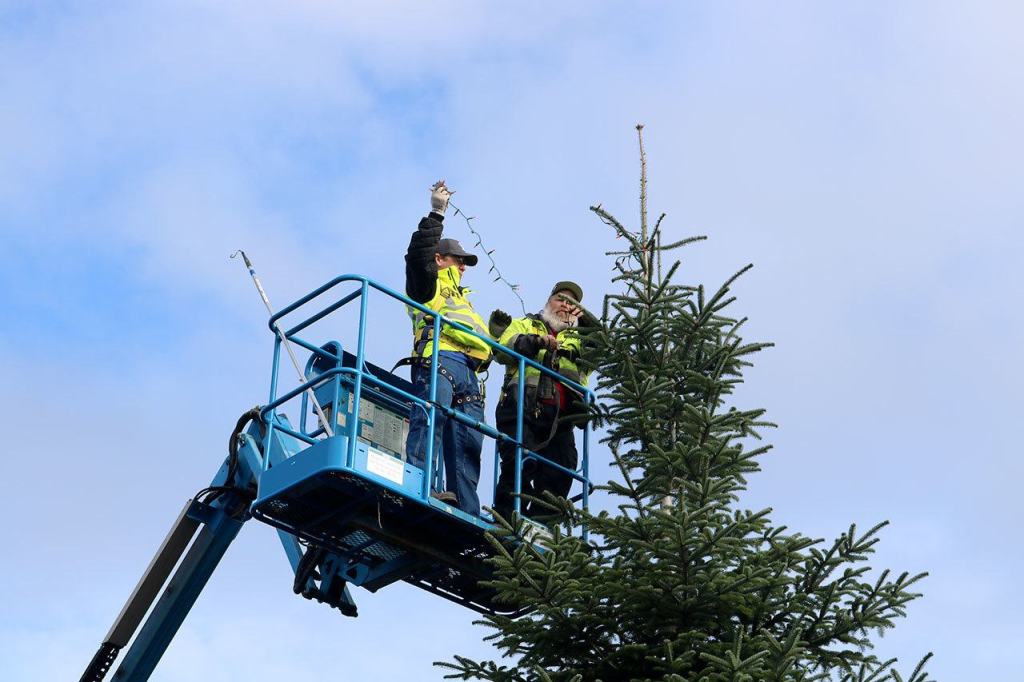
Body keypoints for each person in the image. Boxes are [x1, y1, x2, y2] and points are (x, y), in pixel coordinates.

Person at [402, 180, 493, 516]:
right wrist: (436, 214)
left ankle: (466, 510)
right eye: (459, 260)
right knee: (430, 422)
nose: (464, 267)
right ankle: (418, 486)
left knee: (468, 444)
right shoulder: (427, 284)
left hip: (470, 374)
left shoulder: (464, 299)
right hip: (440, 360)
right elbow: (417, 256)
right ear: (440, 258)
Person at [490, 282, 592, 520]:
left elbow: (602, 348)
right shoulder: (526, 324)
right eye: (560, 299)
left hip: (561, 417)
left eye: (572, 303)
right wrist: (536, 342)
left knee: (562, 469)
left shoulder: (581, 339)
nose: (565, 306)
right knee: (521, 463)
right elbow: (502, 349)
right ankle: (506, 518)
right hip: (521, 406)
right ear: (548, 301)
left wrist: (587, 323)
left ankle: (540, 527)